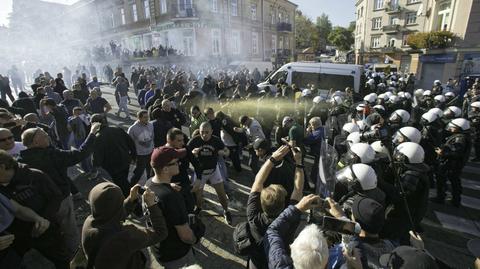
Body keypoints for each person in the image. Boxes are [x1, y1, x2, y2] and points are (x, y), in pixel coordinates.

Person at [19, 123, 101, 259]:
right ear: (36, 141)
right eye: (45, 136)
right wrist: (92, 133)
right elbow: (80, 154)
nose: (48, 137)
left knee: (55, 229)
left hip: (41, 204)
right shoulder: (51, 155)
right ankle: (77, 258)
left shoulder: (22, 159)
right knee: (70, 230)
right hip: (61, 199)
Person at [0, 150, 70, 268]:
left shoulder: (34, 176)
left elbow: (56, 196)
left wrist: (43, 220)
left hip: (45, 230)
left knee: (61, 259)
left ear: (2, 167)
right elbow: (16, 209)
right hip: (16, 237)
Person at [81, 182, 168, 269]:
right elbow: (160, 233)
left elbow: (111, 215)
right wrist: (152, 205)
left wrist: (130, 200)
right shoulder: (124, 237)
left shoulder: (89, 223)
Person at [246, 145, 304, 269]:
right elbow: (298, 190)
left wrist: (272, 159)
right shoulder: (289, 221)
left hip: (256, 262)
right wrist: (298, 162)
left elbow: (258, 181)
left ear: (261, 203)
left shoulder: (253, 216)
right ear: (284, 204)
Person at [145, 146, 200, 268]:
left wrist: (168, 185)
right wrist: (195, 237)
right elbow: (186, 236)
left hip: (159, 248)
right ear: (165, 169)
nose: (179, 163)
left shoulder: (149, 184)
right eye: (175, 162)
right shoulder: (171, 197)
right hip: (177, 255)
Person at [264, 194, 329, 269]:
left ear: (291, 248)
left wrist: (297, 208)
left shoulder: (279, 265)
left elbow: (272, 232)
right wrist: (342, 218)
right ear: (326, 265)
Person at [187, 122, 232, 224]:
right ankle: (198, 208)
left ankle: (226, 211)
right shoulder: (195, 140)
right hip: (200, 173)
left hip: (213, 170)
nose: (204, 135)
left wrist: (224, 153)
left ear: (211, 131)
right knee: (198, 196)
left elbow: (227, 151)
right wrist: (192, 153)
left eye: (207, 132)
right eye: (202, 132)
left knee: (222, 194)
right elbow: (185, 151)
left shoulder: (216, 140)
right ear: (199, 131)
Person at [91, 114, 136, 196]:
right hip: (125, 160)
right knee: (124, 180)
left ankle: (130, 200)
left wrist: (95, 165)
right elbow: (131, 143)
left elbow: (97, 157)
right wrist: (134, 157)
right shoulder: (117, 129)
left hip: (113, 167)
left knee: (122, 184)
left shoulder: (97, 137)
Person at [432, 118, 471, 207]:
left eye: (453, 127)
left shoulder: (460, 139)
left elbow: (456, 152)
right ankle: (455, 200)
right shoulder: (460, 136)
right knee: (454, 181)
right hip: (453, 164)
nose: (451, 128)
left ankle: (442, 198)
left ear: (460, 128)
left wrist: (442, 153)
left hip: (452, 164)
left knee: (444, 180)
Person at [166, 128, 196, 213]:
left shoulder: (185, 149)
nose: (183, 143)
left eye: (183, 140)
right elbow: (153, 178)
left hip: (184, 183)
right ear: (169, 141)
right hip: (170, 188)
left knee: (190, 206)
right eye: (179, 140)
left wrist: (198, 179)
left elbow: (196, 163)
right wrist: (168, 184)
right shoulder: (161, 154)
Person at [128, 110, 154, 186]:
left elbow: (152, 137)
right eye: (145, 117)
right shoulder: (132, 129)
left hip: (150, 152)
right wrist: (132, 155)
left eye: (148, 117)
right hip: (140, 154)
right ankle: (130, 186)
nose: (147, 119)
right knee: (139, 171)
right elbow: (129, 142)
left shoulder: (150, 125)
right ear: (139, 118)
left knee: (150, 170)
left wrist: (153, 148)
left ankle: (149, 186)